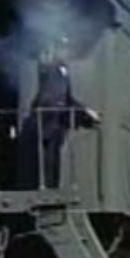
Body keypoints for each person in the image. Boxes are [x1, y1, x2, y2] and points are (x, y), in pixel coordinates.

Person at [29, 35, 99, 187]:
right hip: (48, 117)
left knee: (55, 155)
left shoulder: (64, 73)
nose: (66, 53)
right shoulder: (49, 68)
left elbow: (69, 98)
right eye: (63, 49)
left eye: (67, 49)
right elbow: (48, 94)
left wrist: (86, 111)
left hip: (59, 120)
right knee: (48, 156)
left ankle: (53, 185)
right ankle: (48, 186)